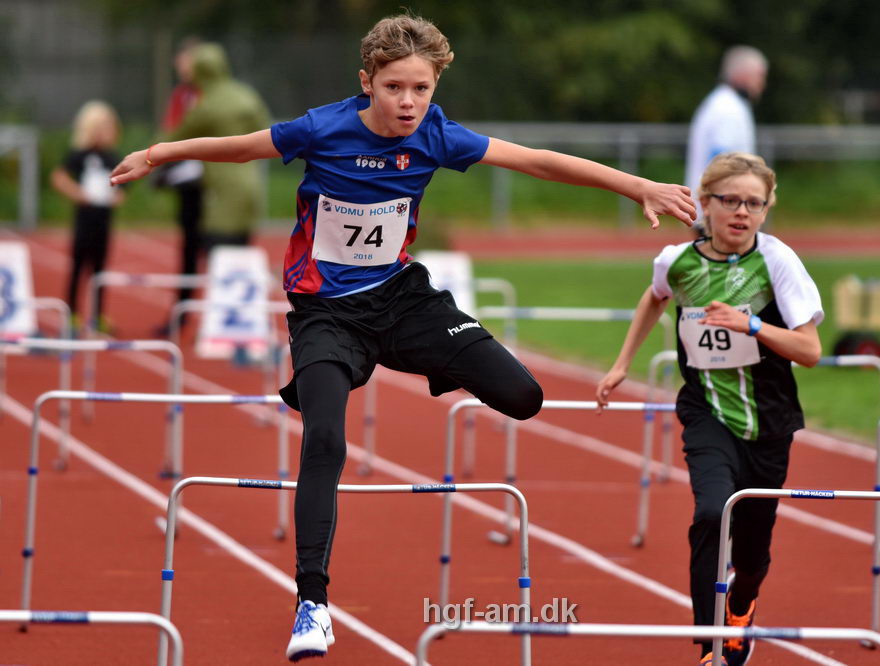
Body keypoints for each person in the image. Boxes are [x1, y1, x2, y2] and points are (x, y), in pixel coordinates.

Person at [111, 14, 696, 662]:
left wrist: (637, 183)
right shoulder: (323, 128)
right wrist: (159, 153)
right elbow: (243, 146)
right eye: (394, 87)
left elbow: (536, 161)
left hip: (403, 301)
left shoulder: (437, 135)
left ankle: (414, 356)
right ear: (368, 83)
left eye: (421, 88)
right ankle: (313, 604)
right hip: (326, 314)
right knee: (326, 437)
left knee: (523, 397)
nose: (409, 102)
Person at [596, 153, 822, 666]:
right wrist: (621, 364)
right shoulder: (677, 261)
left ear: (767, 209)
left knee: (752, 553)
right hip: (706, 411)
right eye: (731, 201)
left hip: (769, 419)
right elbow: (654, 298)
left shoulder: (777, 261)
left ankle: (742, 607)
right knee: (710, 513)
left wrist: (754, 327)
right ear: (706, 204)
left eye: (754, 204)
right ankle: (711, 645)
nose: (742, 213)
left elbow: (810, 352)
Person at [164, 42, 270, 252]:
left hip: (220, 192)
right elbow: (265, 126)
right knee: (241, 250)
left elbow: (175, 138)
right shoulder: (246, 95)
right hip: (250, 182)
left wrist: (152, 156)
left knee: (218, 251)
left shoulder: (208, 104)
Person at [51, 100, 126, 333]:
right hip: (84, 219)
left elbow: (124, 185)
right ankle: (72, 312)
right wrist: (78, 194)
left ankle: (97, 315)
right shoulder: (79, 155)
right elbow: (59, 177)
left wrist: (117, 196)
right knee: (78, 267)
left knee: (100, 270)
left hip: (104, 220)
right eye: (100, 127)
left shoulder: (113, 156)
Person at [685, 46, 768, 224]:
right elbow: (721, 160)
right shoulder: (727, 108)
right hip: (722, 211)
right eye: (760, 75)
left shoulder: (724, 102)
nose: (762, 83)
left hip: (720, 206)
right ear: (741, 74)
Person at [155, 37, 204, 320]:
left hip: (214, 179)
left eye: (184, 60)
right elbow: (172, 129)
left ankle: (217, 315)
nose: (180, 66)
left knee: (216, 244)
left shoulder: (209, 95)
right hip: (188, 179)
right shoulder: (181, 95)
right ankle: (183, 311)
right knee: (188, 243)